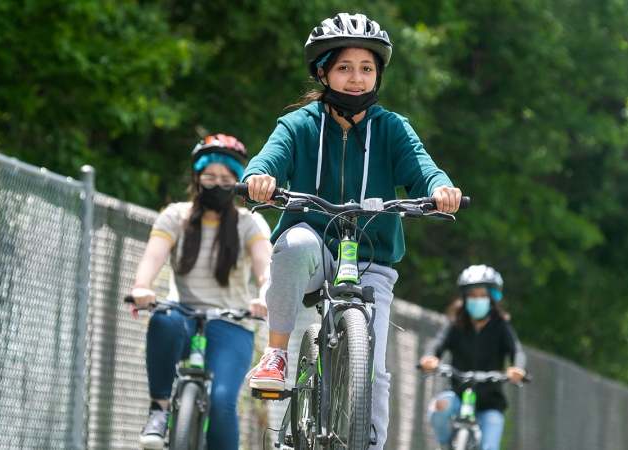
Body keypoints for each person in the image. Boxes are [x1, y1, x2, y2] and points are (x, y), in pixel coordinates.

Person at [240, 12, 463, 449]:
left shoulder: (392, 128)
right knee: (296, 240)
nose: (356, 79)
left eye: (366, 68)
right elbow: (268, 159)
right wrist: (260, 179)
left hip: (371, 259)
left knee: (375, 369)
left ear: (378, 73)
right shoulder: (299, 125)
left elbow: (423, 169)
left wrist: (440, 189)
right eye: (344, 68)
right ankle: (277, 354)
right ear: (323, 72)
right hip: (316, 254)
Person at [129, 134, 273, 450]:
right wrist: (142, 286)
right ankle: (160, 410)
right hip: (183, 316)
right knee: (162, 319)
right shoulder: (175, 216)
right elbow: (153, 256)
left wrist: (265, 295)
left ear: (238, 181)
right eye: (209, 177)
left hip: (232, 324)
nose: (217, 184)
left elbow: (265, 268)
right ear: (197, 177)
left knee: (222, 403)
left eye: (226, 179)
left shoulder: (251, 222)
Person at [419, 265, 527, 450]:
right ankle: (445, 444)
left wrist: (517, 369)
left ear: (492, 299)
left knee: (489, 447)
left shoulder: (500, 327)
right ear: (464, 298)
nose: (477, 300)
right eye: (472, 295)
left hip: (490, 404)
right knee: (438, 407)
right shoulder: (455, 326)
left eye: (482, 296)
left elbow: (517, 351)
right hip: (459, 396)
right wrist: (429, 358)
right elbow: (437, 345)